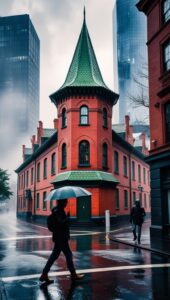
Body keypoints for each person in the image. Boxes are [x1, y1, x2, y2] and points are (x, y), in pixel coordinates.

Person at [39, 199, 84, 283]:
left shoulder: (58, 210)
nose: (66, 203)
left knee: (54, 256)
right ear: (62, 202)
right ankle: (73, 274)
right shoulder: (58, 211)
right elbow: (60, 223)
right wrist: (67, 218)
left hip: (58, 237)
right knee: (68, 254)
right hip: (61, 237)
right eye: (65, 202)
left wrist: (66, 218)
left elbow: (60, 223)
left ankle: (44, 274)